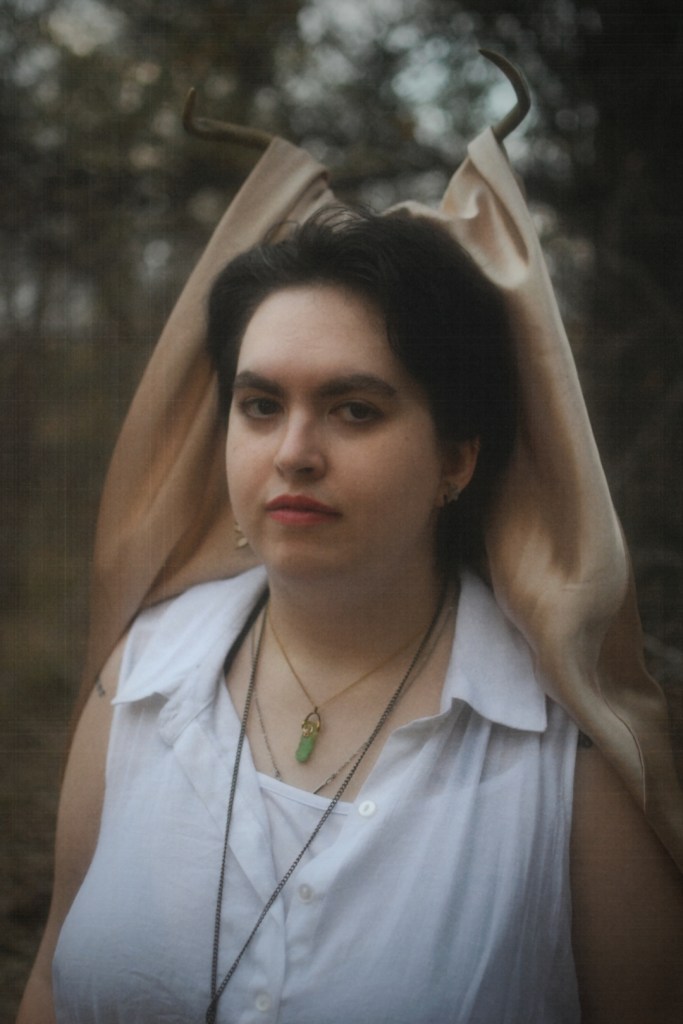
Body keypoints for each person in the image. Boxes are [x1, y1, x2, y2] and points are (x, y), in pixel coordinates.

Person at [17, 207, 683, 1024]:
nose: (293, 452)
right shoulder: (143, 670)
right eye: (260, 405)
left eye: (354, 409)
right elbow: (50, 980)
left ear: (455, 459)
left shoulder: (561, 747)